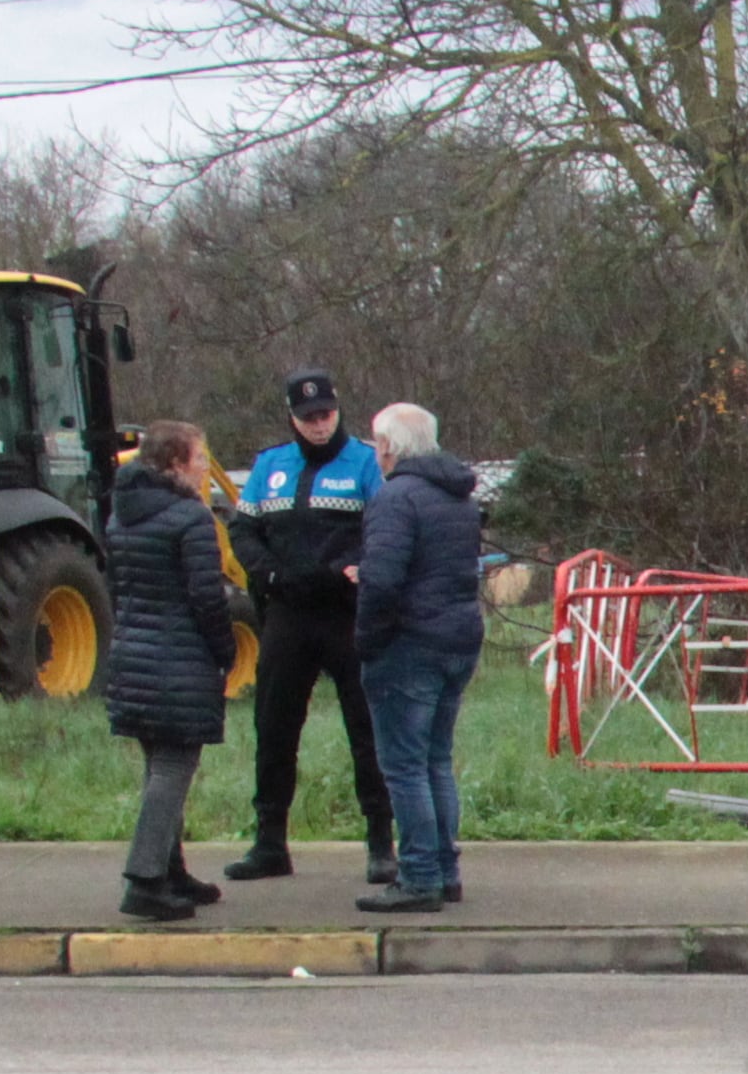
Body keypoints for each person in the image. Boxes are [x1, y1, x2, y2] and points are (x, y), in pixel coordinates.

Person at [226, 369, 392, 887]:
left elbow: (383, 527)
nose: (319, 426)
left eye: (325, 415)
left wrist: (348, 569)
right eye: (307, 418)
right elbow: (244, 529)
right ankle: (269, 842)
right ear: (291, 418)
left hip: (346, 613)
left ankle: (381, 844)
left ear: (338, 410)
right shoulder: (269, 464)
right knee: (273, 729)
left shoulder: (365, 461)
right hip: (287, 614)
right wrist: (269, 573)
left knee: (367, 730)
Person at [99, 422, 239, 924]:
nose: (205, 466)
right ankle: (144, 879)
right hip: (179, 658)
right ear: (178, 464)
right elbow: (206, 596)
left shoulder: (123, 514)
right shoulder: (190, 519)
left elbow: (118, 586)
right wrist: (226, 651)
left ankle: (170, 869)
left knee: (158, 765)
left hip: (133, 653)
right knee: (174, 768)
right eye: (200, 458)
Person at [350, 401, 486, 913]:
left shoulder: (395, 498)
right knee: (436, 760)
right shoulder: (460, 498)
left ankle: (420, 875)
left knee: (404, 766)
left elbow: (382, 579)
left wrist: (366, 639)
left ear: (387, 446)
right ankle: (445, 871)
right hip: (458, 635)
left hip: (409, 643)